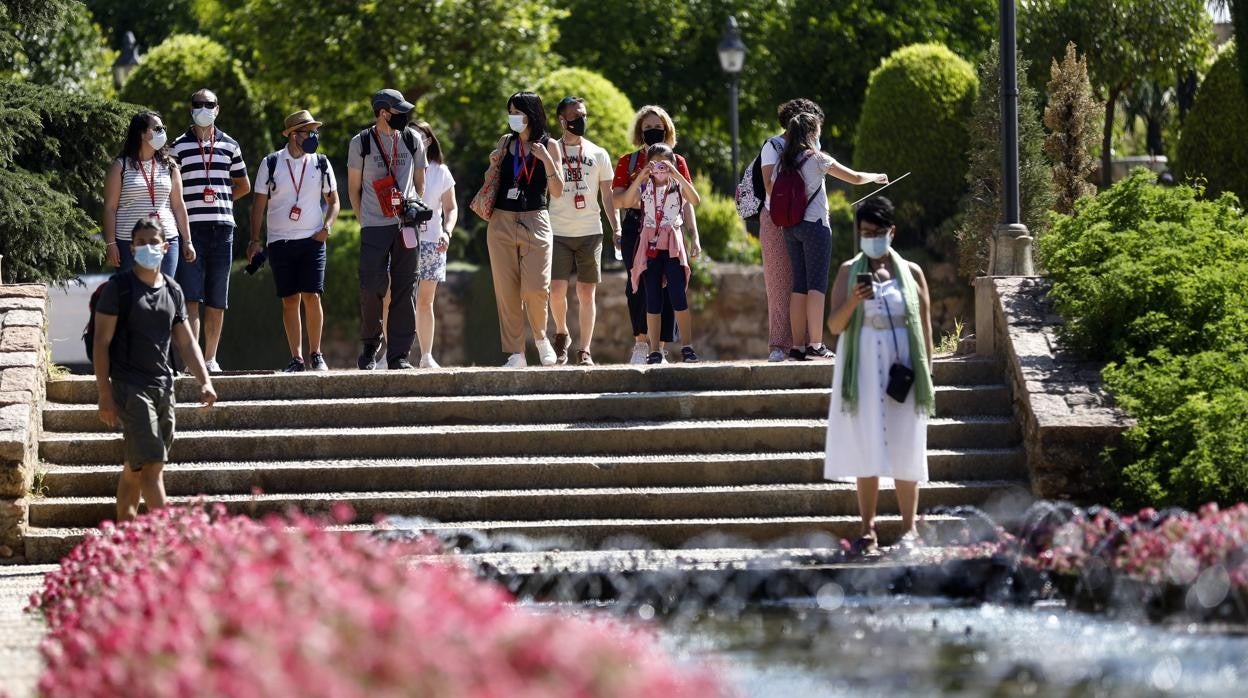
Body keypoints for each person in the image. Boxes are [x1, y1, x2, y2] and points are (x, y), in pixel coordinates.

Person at [824, 197, 934, 553]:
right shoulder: (847, 271)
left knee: (906, 442)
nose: (870, 237)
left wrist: (927, 374)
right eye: (864, 232)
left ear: (891, 232)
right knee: (867, 440)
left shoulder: (913, 273)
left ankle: (909, 529)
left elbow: (926, 327)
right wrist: (854, 300)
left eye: (876, 231)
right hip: (864, 367)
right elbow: (834, 326)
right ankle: (867, 529)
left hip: (902, 367)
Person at [92, 217, 217, 523]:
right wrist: (105, 394)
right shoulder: (119, 289)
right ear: (132, 249)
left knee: (136, 467)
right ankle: (171, 543)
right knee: (152, 467)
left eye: (153, 242)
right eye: (141, 243)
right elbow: (100, 343)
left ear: (165, 247)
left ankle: (123, 535)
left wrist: (205, 381)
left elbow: (187, 343)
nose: (148, 247)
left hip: (163, 385)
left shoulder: (173, 290)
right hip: (129, 386)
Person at [773, 112, 889, 361]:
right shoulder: (818, 159)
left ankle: (797, 347)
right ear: (812, 133)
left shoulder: (785, 160)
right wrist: (876, 177)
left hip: (791, 228)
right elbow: (855, 178)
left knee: (800, 286)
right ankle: (816, 344)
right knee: (817, 285)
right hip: (815, 226)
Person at [250, 110, 340, 372]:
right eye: (305, 131)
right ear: (291, 135)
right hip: (279, 241)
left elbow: (334, 202)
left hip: (312, 239)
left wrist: (327, 226)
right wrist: (254, 240)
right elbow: (258, 206)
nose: (311, 136)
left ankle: (316, 354)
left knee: (312, 295)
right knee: (289, 299)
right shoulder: (271, 163)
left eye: (314, 131)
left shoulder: (321, 162)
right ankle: (297, 358)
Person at [170, 88, 251, 373]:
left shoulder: (230, 144)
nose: (203, 108)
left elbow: (244, 185)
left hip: (223, 227)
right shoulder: (177, 147)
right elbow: (171, 190)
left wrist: (222, 198)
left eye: (209, 104)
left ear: (218, 108)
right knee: (192, 297)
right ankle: (193, 361)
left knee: (217, 297)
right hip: (190, 230)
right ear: (190, 108)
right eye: (198, 104)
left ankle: (210, 358)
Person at [347, 89, 428, 370]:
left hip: (405, 225)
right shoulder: (361, 142)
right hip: (374, 225)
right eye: (399, 112)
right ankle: (370, 343)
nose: (405, 117)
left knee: (406, 288)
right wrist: (363, 219)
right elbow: (353, 188)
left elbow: (421, 181)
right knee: (371, 286)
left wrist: (416, 205)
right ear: (383, 113)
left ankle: (399, 355)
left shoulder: (412, 139)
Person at [486, 91, 564, 367]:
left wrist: (546, 160)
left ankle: (542, 339)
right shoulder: (506, 141)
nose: (513, 118)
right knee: (506, 292)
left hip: (536, 219)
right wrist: (494, 163)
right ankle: (516, 353)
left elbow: (557, 189)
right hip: (501, 221)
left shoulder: (550, 144)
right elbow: (492, 181)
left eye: (518, 112)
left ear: (532, 114)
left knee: (536, 288)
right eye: (511, 112)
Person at [612, 105, 693, 364]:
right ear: (639, 132)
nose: (653, 131)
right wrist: (643, 191)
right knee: (637, 285)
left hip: (670, 232)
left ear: (667, 129)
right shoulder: (630, 161)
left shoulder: (676, 161)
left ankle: (660, 347)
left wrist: (694, 235)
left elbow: (687, 201)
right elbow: (618, 200)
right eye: (647, 128)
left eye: (658, 127)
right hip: (637, 229)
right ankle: (640, 343)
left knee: (669, 285)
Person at [547, 96, 618, 366]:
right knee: (556, 290)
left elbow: (608, 195)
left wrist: (616, 226)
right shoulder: (551, 150)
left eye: (584, 115)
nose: (582, 120)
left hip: (590, 230)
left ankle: (585, 349)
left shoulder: (599, 153)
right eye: (576, 116)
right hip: (558, 230)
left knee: (587, 293)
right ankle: (562, 333)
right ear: (562, 120)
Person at [758, 99, 824, 362]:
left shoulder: (812, 148)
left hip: (803, 220)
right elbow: (770, 186)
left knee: (802, 282)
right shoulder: (772, 146)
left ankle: (807, 343)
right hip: (778, 220)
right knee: (778, 283)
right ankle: (779, 345)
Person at [103, 111, 195, 278]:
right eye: (158, 128)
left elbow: (178, 205)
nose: (163, 133)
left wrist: (187, 241)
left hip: (166, 240)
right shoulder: (121, 166)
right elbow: (110, 208)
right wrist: (111, 243)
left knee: (163, 292)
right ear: (142, 133)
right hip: (130, 242)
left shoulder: (170, 165)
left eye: (163, 128)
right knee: (132, 297)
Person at [411, 120, 457, 368]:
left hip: (432, 241)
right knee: (394, 299)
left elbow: (451, 208)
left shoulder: (441, 171)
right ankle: (391, 354)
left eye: (422, 136)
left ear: (429, 140)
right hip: (404, 240)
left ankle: (426, 355)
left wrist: (447, 232)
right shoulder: (401, 167)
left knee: (425, 301)